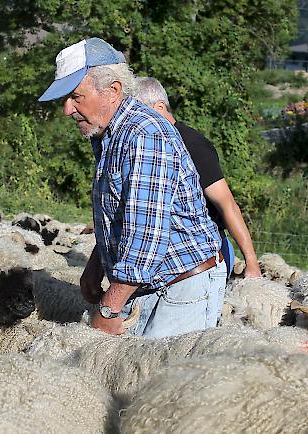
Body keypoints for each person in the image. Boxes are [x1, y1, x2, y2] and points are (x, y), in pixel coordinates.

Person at [38, 38, 226, 338]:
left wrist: (109, 308)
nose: (67, 109)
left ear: (112, 90)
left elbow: (146, 233)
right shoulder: (109, 135)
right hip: (150, 283)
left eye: (75, 96)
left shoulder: (144, 135)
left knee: (157, 382)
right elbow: (123, 215)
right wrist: (97, 265)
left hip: (179, 288)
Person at [134, 77, 262, 279]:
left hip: (205, 257)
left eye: (139, 112)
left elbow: (227, 204)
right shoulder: (148, 145)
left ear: (159, 106)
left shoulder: (193, 145)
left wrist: (251, 262)